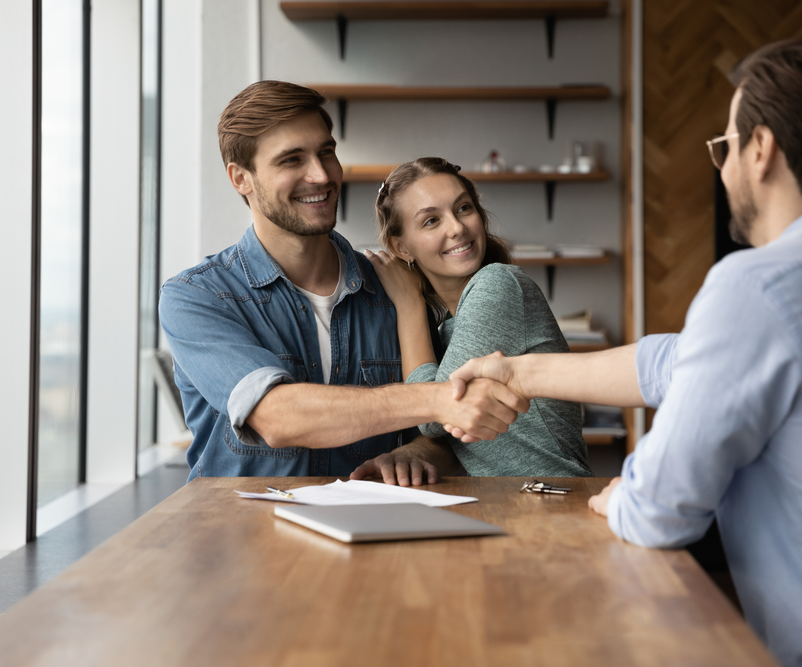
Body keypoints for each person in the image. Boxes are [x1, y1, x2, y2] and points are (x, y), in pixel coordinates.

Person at [447, 38, 802, 667]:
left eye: (725, 146)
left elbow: (660, 512)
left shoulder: (761, 285)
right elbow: (678, 362)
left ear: (760, 149)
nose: (723, 165)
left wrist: (623, 494)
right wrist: (519, 370)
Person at [158, 81, 528, 485]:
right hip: (245, 537)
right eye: (291, 160)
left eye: (326, 152)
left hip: (371, 536)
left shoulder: (400, 288)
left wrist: (416, 453)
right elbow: (279, 417)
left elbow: (447, 435)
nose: (320, 175)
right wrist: (441, 401)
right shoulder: (196, 297)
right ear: (240, 178)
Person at [363, 158, 592, 477]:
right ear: (401, 247)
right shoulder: (444, 328)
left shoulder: (498, 285)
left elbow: (432, 414)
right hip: (507, 506)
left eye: (463, 208)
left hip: (556, 505)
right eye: (431, 221)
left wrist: (408, 303)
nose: (457, 228)